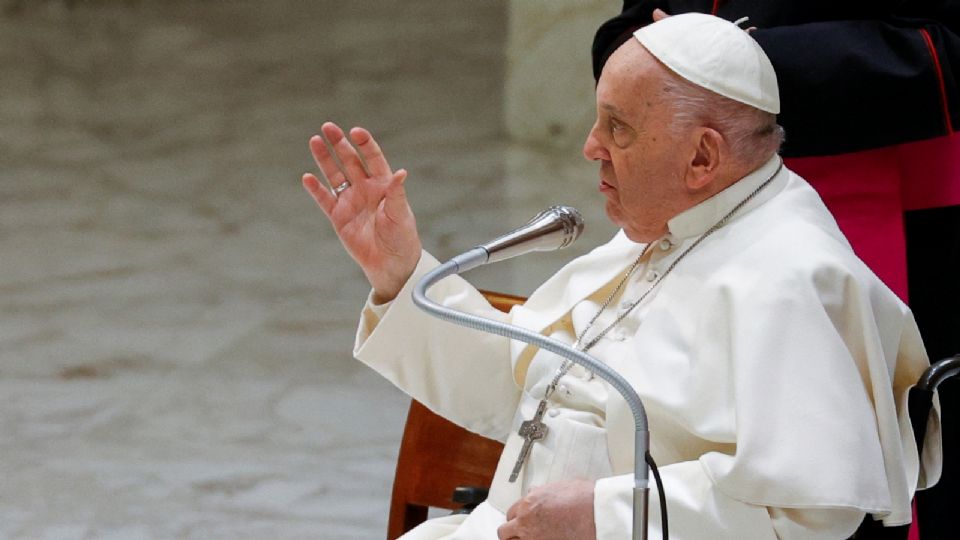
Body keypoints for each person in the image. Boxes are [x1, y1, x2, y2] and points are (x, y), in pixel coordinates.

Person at [303, 14, 938, 540]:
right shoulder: (674, 221)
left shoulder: (793, 278)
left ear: (701, 156)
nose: (589, 146)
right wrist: (401, 273)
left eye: (618, 127)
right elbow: (526, 390)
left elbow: (806, 514)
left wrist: (606, 515)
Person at [595, 6, 960, 536]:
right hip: (692, 197)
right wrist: (660, 65)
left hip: (891, 205)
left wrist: (724, 61)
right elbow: (622, 37)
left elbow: (945, 50)